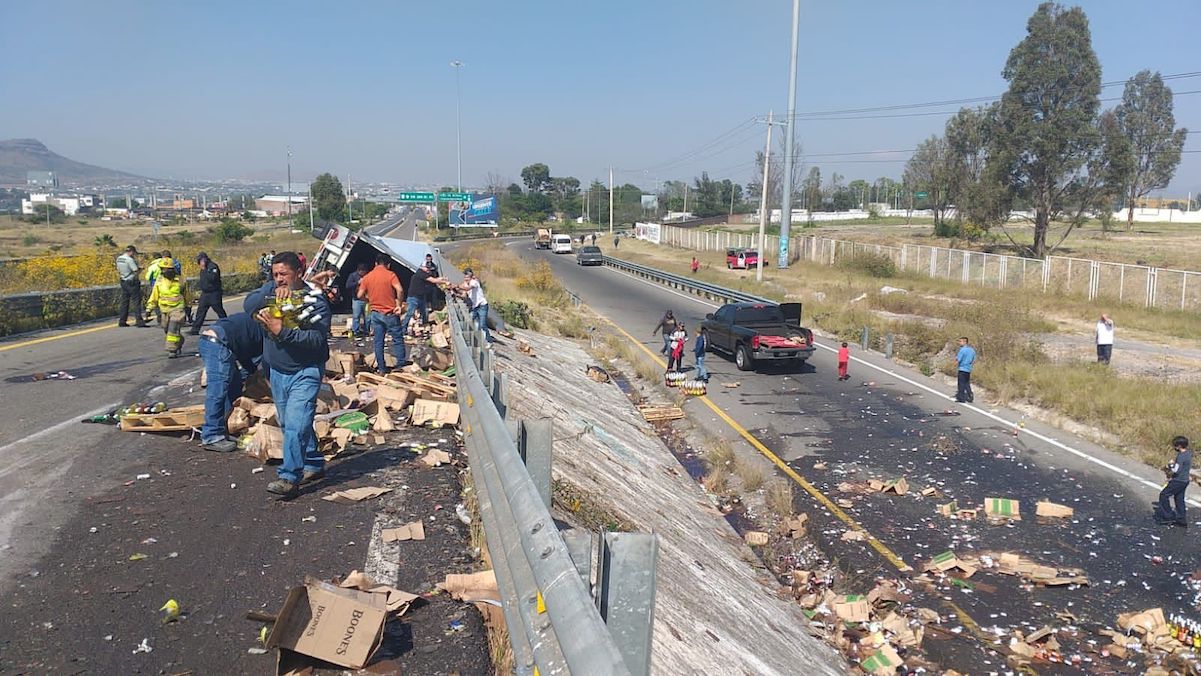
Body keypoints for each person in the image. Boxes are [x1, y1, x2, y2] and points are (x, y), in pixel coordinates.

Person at [246, 252, 332, 497]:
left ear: (298, 274)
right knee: (289, 423)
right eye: (275, 274)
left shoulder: (314, 301)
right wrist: (269, 291)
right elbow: (247, 306)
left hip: (305, 371)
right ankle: (313, 462)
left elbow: (316, 340)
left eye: (284, 274)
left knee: (296, 423)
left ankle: (289, 477)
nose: (279, 279)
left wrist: (282, 332)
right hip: (278, 371)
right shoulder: (270, 295)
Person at [198, 312, 265, 453]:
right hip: (217, 344)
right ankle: (211, 435)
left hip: (219, 342)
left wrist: (250, 373)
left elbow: (247, 357)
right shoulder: (266, 330)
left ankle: (226, 426)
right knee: (218, 390)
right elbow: (261, 359)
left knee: (234, 388)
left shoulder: (258, 321)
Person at [358, 254, 408, 372]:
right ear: (388, 265)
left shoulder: (367, 277)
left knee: (378, 341)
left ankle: (381, 367)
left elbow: (359, 295)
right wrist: (399, 306)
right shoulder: (391, 275)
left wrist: (369, 300)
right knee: (397, 339)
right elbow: (400, 289)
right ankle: (400, 365)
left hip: (375, 313)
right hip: (390, 313)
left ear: (375, 263)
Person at [145, 267, 191, 358]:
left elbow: (187, 295)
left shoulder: (181, 281)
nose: (167, 271)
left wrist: (188, 306)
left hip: (178, 309)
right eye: (164, 269)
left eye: (169, 269)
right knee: (167, 329)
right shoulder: (159, 282)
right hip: (165, 310)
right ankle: (179, 341)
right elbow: (154, 296)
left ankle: (172, 350)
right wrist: (149, 309)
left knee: (173, 328)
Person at [401, 260, 449, 336]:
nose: (428, 270)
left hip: (421, 297)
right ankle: (403, 329)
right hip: (414, 297)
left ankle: (424, 327)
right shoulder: (421, 273)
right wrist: (445, 282)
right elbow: (433, 280)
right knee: (410, 313)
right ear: (422, 267)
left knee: (424, 313)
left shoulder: (424, 274)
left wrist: (443, 279)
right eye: (427, 268)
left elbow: (434, 279)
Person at [1154, 436, 1192, 528]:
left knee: (1164, 495)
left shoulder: (1181, 456)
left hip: (1178, 480)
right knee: (1179, 499)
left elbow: (1176, 470)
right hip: (1185, 480)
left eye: (1175, 446)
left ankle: (1168, 517)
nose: (1174, 447)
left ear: (1179, 446)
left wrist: (1170, 465)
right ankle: (1181, 519)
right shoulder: (1188, 454)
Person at [190, 252, 227, 334]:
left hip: (214, 293)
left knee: (219, 310)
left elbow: (213, 278)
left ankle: (227, 325)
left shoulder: (213, 267)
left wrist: (205, 270)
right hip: (205, 294)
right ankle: (195, 330)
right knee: (200, 312)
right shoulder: (203, 269)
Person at [116, 245, 148, 327]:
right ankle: (139, 321)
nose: (134, 255)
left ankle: (122, 321)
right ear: (132, 252)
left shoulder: (119, 258)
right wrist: (141, 269)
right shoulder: (130, 260)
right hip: (132, 282)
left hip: (123, 281)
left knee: (124, 302)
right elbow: (135, 271)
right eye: (134, 253)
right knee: (136, 302)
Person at [458, 267, 492, 343]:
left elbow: (468, 288)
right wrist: (455, 293)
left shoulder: (474, 282)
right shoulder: (465, 283)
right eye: (465, 277)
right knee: (470, 320)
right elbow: (464, 295)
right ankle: (477, 339)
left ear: (471, 276)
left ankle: (488, 341)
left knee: (482, 324)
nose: (466, 278)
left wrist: (457, 286)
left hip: (482, 305)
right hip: (475, 307)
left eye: (468, 277)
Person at [346, 262, 370, 336]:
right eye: (361, 271)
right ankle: (356, 331)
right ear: (358, 270)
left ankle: (366, 331)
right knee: (356, 316)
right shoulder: (353, 276)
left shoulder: (368, 276)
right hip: (356, 299)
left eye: (364, 271)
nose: (363, 273)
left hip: (366, 300)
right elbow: (348, 286)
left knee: (368, 317)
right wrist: (357, 282)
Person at [955, 336, 976, 403]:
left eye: (960, 341)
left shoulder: (962, 350)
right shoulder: (972, 350)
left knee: (961, 383)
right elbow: (974, 360)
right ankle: (970, 395)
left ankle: (961, 398)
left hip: (962, 368)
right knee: (967, 383)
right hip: (968, 369)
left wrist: (954, 365)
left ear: (964, 342)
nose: (959, 343)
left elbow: (958, 359)